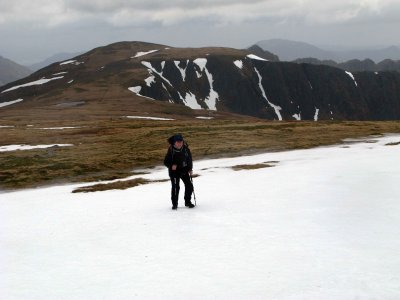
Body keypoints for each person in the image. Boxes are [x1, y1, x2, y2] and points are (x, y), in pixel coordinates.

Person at [164, 134, 195, 210]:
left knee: (189, 186)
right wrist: (171, 166)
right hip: (174, 172)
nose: (180, 143)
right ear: (174, 142)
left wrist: (190, 169)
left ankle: (187, 202)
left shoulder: (185, 149)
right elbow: (166, 162)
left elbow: (189, 159)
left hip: (184, 170)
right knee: (175, 188)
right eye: (178, 142)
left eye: (181, 141)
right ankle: (175, 204)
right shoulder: (171, 150)